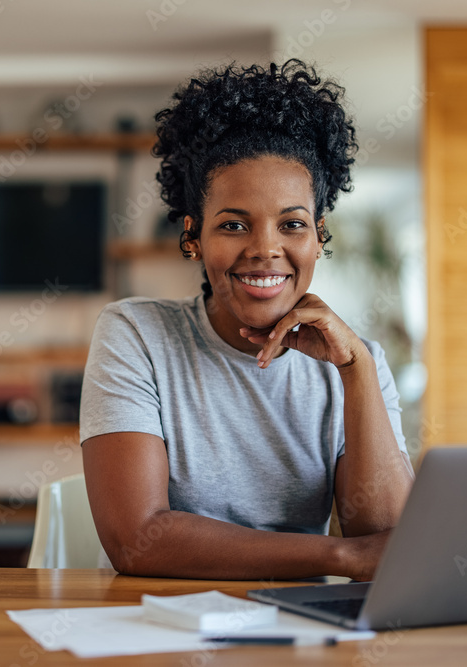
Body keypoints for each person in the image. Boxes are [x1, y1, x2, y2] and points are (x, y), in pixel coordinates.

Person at [80, 60, 415, 581]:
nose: (265, 249)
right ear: (193, 237)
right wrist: (338, 557)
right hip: (153, 628)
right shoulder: (137, 335)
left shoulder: (358, 362)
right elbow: (137, 540)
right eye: (234, 224)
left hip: (296, 631)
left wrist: (356, 371)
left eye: (292, 224)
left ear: (318, 237)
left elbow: (388, 539)